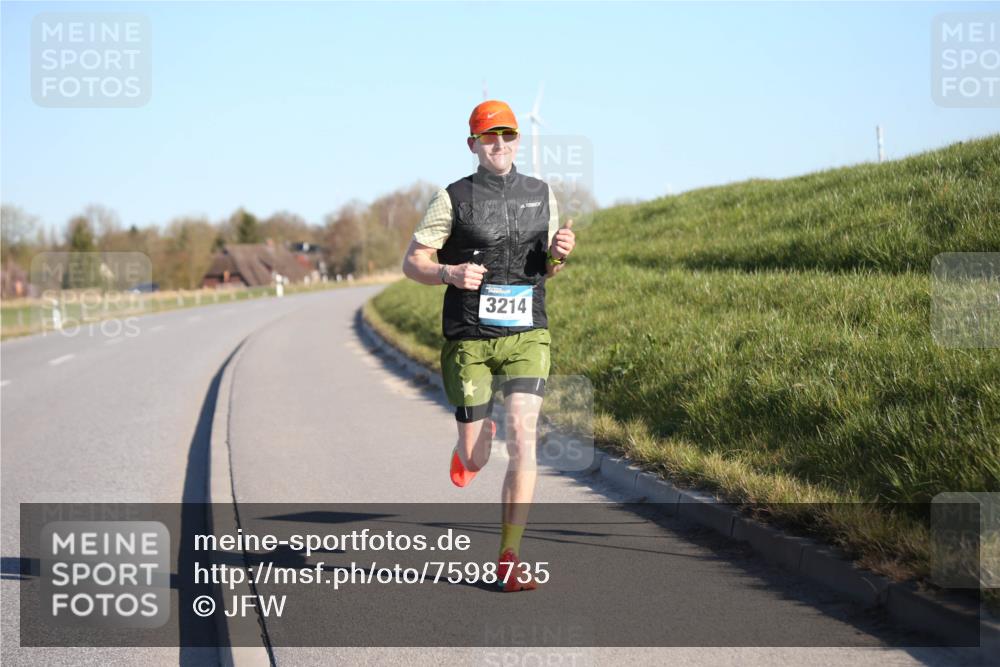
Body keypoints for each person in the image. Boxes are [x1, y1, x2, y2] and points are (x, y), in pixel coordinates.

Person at [401, 99, 576, 592]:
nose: (500, 145)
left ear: (518, 140)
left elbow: (545, 267)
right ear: (473, 144)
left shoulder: (542, 193)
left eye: (508, 136)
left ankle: (508, 556)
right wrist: (447, 273)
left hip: (526, 334)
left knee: (523, 441)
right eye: (489, 137)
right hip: (470, 341)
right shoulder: (452, 198)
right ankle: (470, 452)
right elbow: (412, 262)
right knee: (477, 457)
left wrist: (559, 256)